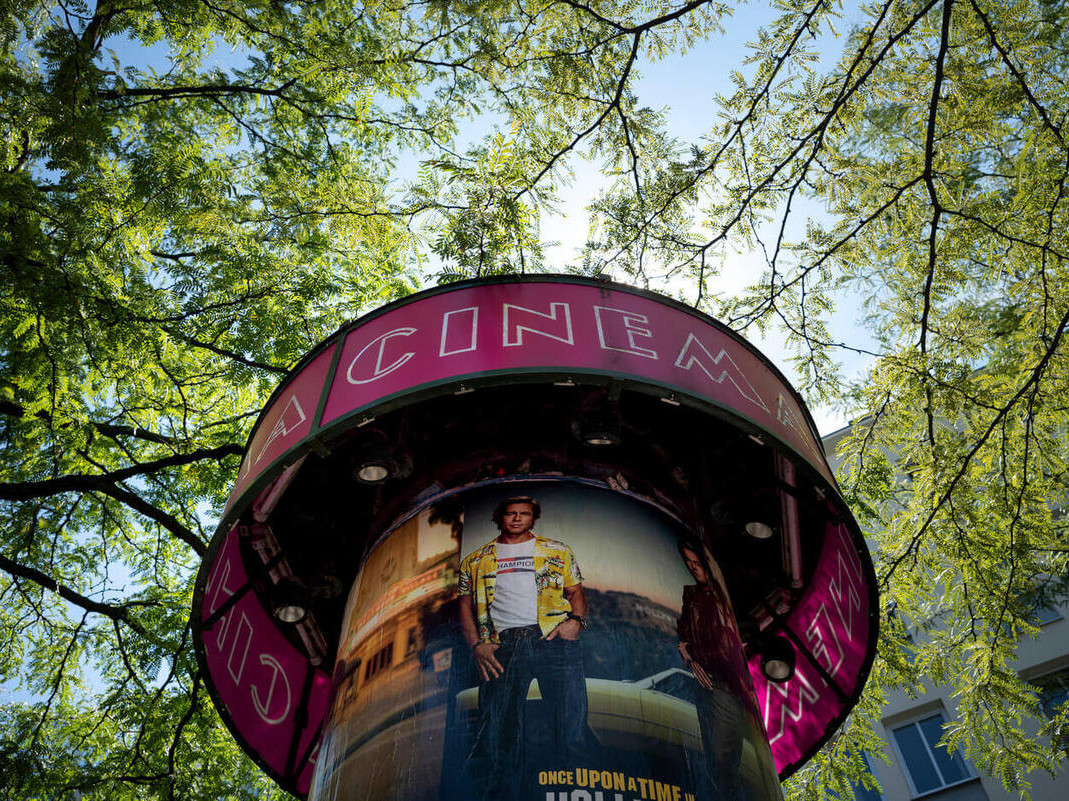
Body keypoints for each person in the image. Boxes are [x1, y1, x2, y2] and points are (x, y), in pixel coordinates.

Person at [457, 496, 593, 801]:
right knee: (501, 735)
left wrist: (576, 623)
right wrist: (476, 645)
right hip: (501, 647)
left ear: (533, 518)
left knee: (570, 725)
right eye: (511, 514)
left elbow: (576, 594)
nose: (517, 519)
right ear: (500, 517)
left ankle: (577, 793)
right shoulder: (476, 560)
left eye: (524, 514)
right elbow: (464, 607)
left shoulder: (558, 550)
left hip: (552, 640)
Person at [677, 539, 757, 801]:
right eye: (688, 562)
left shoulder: (724, 599)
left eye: (697, 562)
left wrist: (693, 653)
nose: (692, 568)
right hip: (705, 685)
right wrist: (690, 657)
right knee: (711, 756)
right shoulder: (691, 595)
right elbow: (683, 636)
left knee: (724, 760)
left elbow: (725, 647)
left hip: (728, 686)